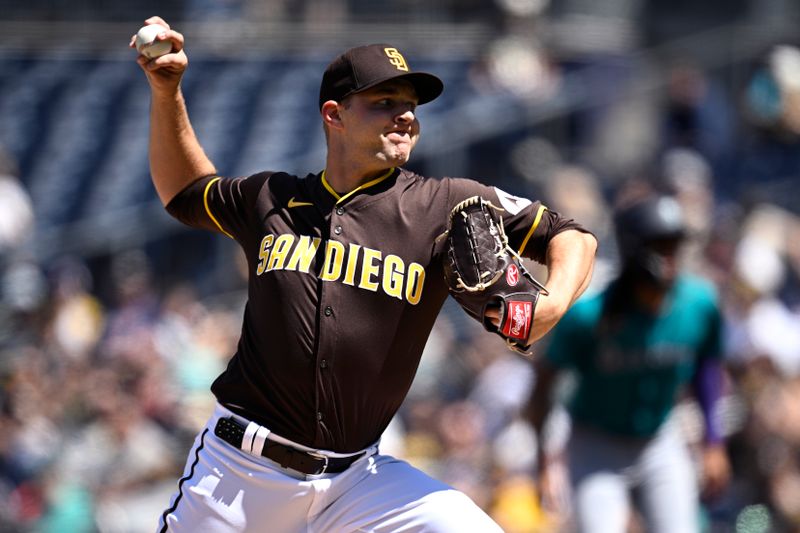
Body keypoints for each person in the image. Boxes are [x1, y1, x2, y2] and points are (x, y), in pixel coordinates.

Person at [131, 16, 597, 532]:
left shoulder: (443, 204)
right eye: (384, 103)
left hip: (359, 482)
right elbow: (185, 192)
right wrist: (166, 88)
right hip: (240, 476)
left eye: (410, 107)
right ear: (334, 114)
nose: (405, 117)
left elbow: (572, 236)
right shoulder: (271, 198)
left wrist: (550, 304)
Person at [526, 192, 732, 533]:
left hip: (659, 439)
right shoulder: (589, 316)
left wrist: (714, 441)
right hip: (595, 445)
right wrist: (544, 457)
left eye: (674, 246)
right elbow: (543, 384)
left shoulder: (699, 304)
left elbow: (706, 368)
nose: (671, 257)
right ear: (634, 249)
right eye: (661, 246)